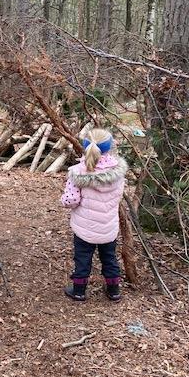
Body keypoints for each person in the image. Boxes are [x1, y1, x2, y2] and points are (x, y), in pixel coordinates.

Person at [61, 128, 128, 302]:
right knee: (110, 258)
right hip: (108, 227)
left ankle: (79, 291)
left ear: (85, 147)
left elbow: (71, 200)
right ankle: (114, 291)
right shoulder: (118, 171)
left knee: (82, 259)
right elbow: (118, 195)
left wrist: (64, 200)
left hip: (84, 229)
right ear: (109, 147)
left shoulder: (78, 172)